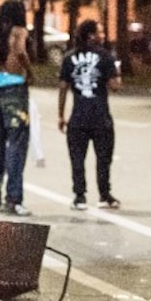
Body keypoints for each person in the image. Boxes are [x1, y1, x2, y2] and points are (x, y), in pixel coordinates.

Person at [58, 19, 122, 211]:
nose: (103, 35)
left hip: (77, 117)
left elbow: (63, 87)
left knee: (77, 158)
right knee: (103, 157)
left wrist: (61, 115)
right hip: (100, 117)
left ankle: (79, 196)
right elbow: (115, 86)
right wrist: (118, 70)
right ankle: (104, 194)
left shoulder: (69, 58)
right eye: (100, 32)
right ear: (91, 35)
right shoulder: (105, 56)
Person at [0, 0, 32, 215]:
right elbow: (21, 51)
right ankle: (13, 198)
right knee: (16, 144)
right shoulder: (19, 31)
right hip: (16, 92)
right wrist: (29, 73)